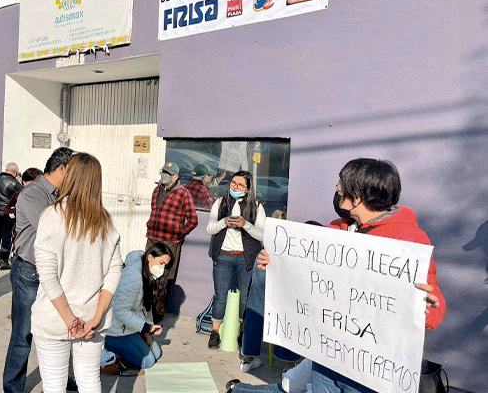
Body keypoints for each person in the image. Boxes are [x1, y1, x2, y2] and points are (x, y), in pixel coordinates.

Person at [234, 158, 447, 393]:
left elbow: (433, 309)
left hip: (370, 372)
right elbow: (307, 276)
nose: (336, 191)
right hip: (328, 358)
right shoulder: (335, 230)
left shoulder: (408, 240)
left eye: (340, 189)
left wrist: (429, 308)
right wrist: (275, 264)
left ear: (356, 198)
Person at [32, 152, 123, 393]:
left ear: (70, 176)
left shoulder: (52, 215)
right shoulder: (106, 222)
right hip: (93, 318)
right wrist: (95, 317)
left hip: (54, 317)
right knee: (90, 381)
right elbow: (114, 272)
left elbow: (47, 275)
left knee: (53, 386)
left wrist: (71, 321)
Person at [3, 147, 75, 393]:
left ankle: (60, 378)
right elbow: (54, 232)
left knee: (59, 330)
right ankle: (13, 386)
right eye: (73, 171)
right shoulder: (34, 194)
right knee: (23, 334)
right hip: (29, 273)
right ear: (62, 168)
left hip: (55, 273)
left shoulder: (61, 194)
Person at [206, 171, 266, 352]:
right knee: (221, 295)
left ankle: (241, 331)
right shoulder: (220, 202)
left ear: (248, 189)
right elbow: (210, 229)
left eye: (240, 185)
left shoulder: (256, 206)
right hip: (223, 255)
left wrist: (245, 225)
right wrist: (224, 221)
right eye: (233, 183)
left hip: (246, 257)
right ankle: (215, 331)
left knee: (245, 298)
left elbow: (262, 235)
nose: (235, 187)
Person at [104, 243, 174, 373]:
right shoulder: (134, 276)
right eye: (161, 263)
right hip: (116, 329)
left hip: (130, 327)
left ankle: (125, 349)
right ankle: (107, 347)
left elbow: (146, 307)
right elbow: (120, 312)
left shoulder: (147, 273)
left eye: (165, 266)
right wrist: (147, 328)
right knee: (147, 362)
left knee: (156, 353)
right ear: (150, 257)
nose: (162, 268)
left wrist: (148, 331)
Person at [145, 161, 198, 321]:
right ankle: (145, 309)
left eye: (168, 174)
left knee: (164, 278)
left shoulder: (183, 193)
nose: (164, 176)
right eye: (163, 172)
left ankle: (158, 314)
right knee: (147, 274)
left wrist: (179, 234)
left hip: (169, 242)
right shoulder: (157, 190)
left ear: (175, 177)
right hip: (152, 238)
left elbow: (193, 219)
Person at [0, 162, 22, 270]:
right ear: (15, 172)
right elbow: (20, 194)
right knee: (6, 235)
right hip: (7, 212)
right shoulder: (14, 182)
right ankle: (3, 261)